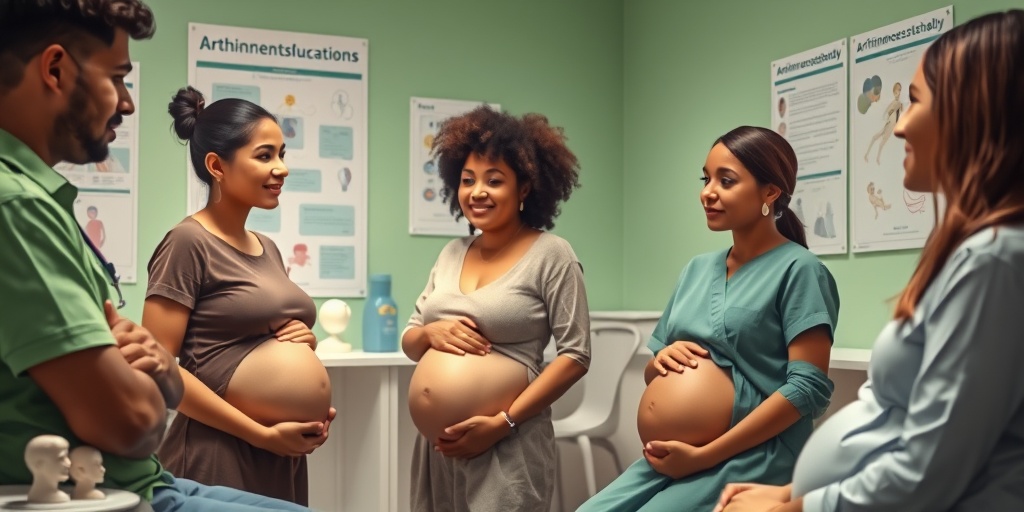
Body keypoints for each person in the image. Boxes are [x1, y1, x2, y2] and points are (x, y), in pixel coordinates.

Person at [0, 2, 324, 510]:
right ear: (55, 69)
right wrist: (164, 381)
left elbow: (147, 362)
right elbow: (135, 413)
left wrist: (295, 345)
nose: (128, 104)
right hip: (130, 476)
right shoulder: (19, 207)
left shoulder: (45, 202)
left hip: (155, 473)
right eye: (118, 78)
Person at [715, 9, 1024, 512]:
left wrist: (797, 507)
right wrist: (797, 494)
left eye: (917, 102)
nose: (900, 126)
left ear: (974, 115)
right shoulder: (985, 255)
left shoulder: (996, 262)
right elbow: (900, 426)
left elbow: (930, 469)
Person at [579, 126, 839, 512]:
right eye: (706, 178)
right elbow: (656, 372)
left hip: (755, 455)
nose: (708, 192)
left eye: (726, 180)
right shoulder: (697, 270)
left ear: (771, 192)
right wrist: (659, 362)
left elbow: (807, 390)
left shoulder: (800, 271)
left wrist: (706, 456)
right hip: (675, 457)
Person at [142, 87, 335, 505]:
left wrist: (305, 345)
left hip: (281, 453)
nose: (281, 168)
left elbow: (249, 338)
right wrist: (262, 433)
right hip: (220, 453)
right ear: (217, 166)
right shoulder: (187, 242)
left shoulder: (268, 247)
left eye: (283, 153)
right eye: (265, 155)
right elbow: (157, 368)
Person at [402, 106, 591, 511]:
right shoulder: (452, 252)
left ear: (524, 188)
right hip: (436, 450)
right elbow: (412, 336)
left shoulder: (552, 255)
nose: (477, 192)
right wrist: (428, 333)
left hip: (508, 442)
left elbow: (576, 355)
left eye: (494, 180)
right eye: (467, 180)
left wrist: (502, 423)